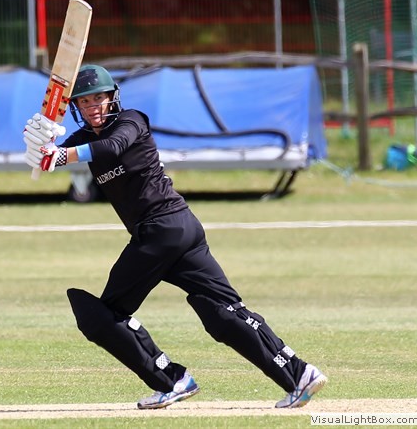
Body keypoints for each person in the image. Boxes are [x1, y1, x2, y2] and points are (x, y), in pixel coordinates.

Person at [22, 65, 327, 409]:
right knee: (222, 313)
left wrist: (63, 154)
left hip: (161, 230)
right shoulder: (85, 138)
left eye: (99, 98)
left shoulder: (131, 121)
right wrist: (39, 142)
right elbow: (51, 158)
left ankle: (172, 380)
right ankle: (299, 374)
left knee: (103, 316)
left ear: (112, 98)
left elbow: (112, 146)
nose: (93, 107)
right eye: (85, 101)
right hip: (178, 231)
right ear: (76, 107)